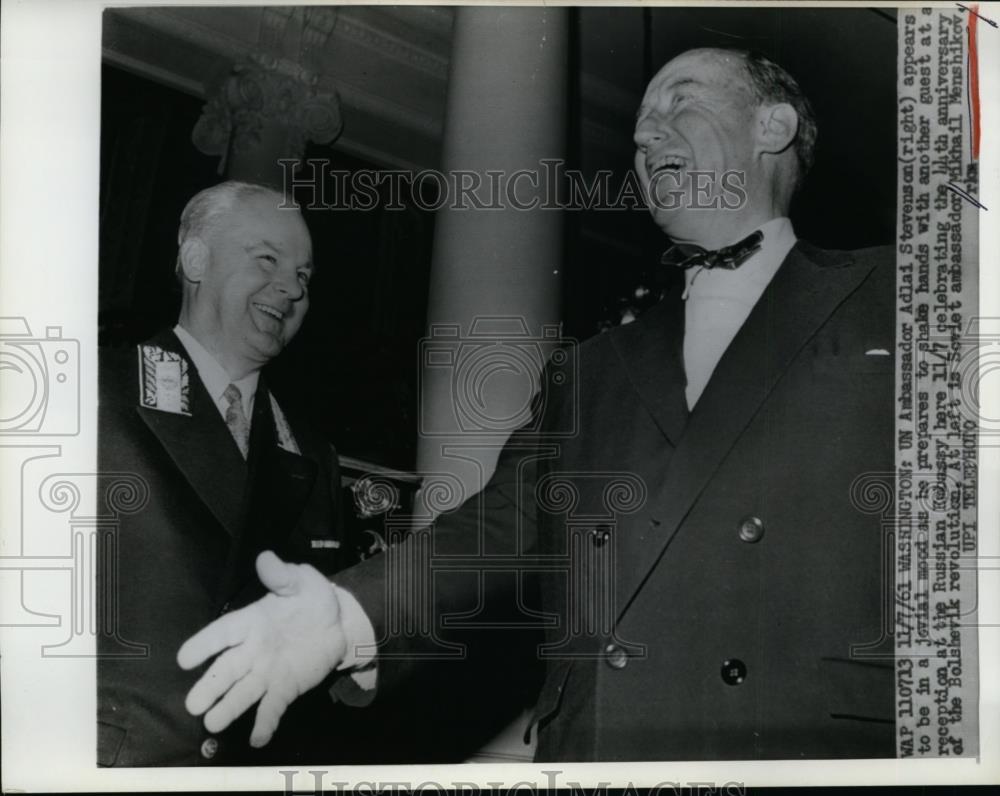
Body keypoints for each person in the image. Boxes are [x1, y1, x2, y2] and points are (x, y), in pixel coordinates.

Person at [177, 49, 896, 761]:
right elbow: (491, 528)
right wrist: (349, 611)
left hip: (805, 748)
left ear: (773, 126)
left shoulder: (898, 294)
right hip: (601, 747)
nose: (644, 138)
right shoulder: (590, 368)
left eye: (679, 102)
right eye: (640, 124)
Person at [97, 181, 357, 766]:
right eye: (268, 259)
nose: (291, 288)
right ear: (195, 259)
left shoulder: (315, 455)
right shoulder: (94, 394)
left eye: (305, 276)